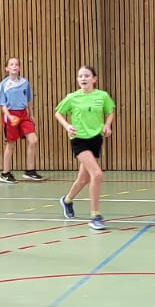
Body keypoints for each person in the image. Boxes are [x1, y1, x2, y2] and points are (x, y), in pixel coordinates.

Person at [53, 65, 115, 231]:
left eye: (87, 75)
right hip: (78, 139)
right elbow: (58, 112)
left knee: (84, 179)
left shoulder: (102, 96)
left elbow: (110, 111)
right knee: (97, 174)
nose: (83, 78)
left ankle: (67, 200)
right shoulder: (72, 97)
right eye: (80, 76)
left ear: (94, 79)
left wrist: (107, 125)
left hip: (95, 139)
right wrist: (67, 126)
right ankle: (95, 216)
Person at [0, 57, 44, 183]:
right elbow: (2, 104)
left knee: (33, 140)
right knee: (11, 144)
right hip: (10, 115)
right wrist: (9, 116)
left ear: (19, 68)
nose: (14, 66)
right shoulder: (4, 84)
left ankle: (30, 171)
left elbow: (28, 100)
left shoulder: (25, 83)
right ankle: (5, 174)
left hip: (23, 115)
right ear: (7, 68)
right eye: (11, 64)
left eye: (16, 64)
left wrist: (31, 115)